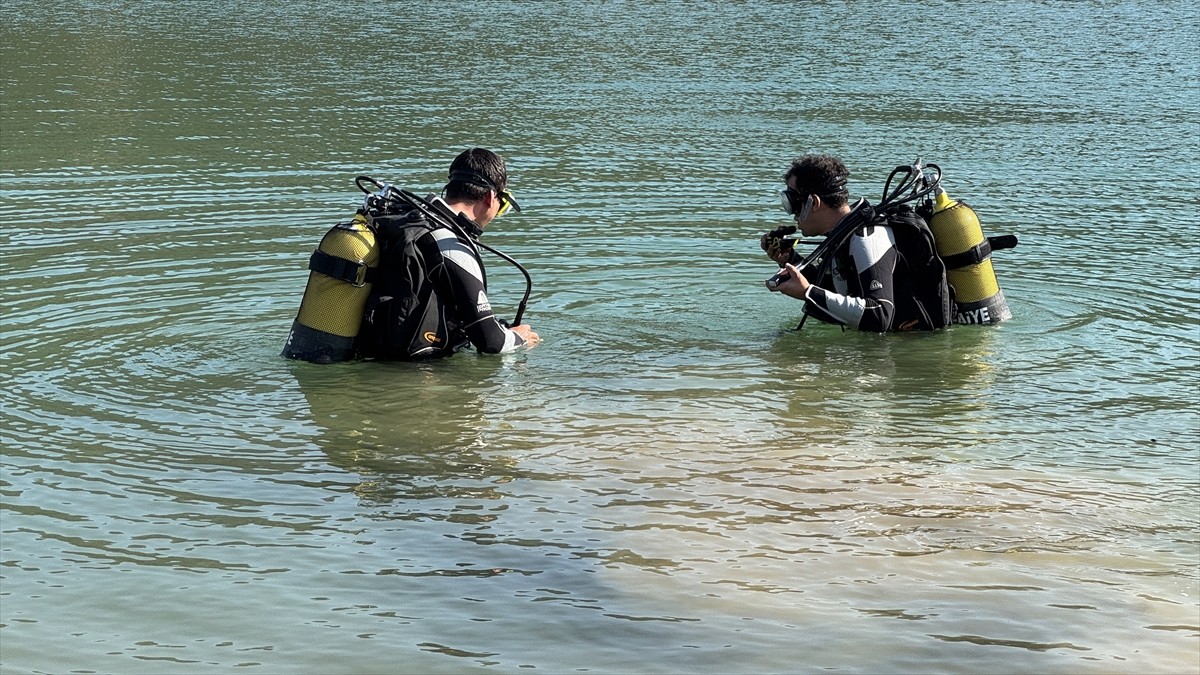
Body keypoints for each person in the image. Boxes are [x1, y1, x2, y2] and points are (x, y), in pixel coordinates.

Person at [359, 147, 539, 359]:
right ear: (491, 197)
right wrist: (520, 337)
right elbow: (491, 342)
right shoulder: (451, 245)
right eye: (503, 205)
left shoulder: (409, 221)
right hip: (418, 372)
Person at [761, 153, 949, 332]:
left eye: (792, 203)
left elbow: (880, 315)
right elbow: (839, 290)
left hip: (916, 346)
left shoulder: (866, 238)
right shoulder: (842, 235)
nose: (792, 214)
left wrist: (808, 293)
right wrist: (790, 259)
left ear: (815, 202)